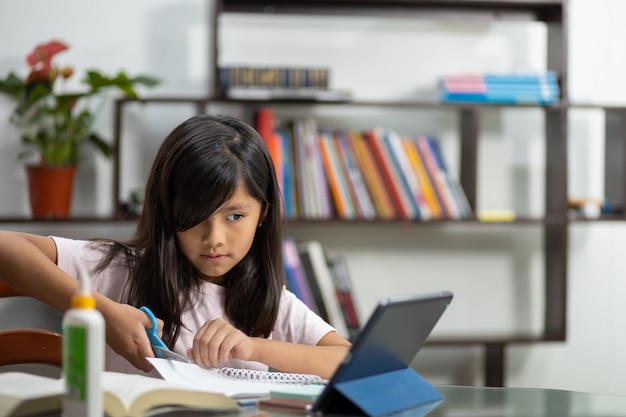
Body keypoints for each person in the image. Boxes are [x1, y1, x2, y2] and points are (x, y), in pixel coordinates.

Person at [0, 114, 351, 379]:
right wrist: (101, 311)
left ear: (262, 215)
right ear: (168, 212)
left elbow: (347, 362)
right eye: (196, 216)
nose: (214, 238)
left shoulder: (269, 301)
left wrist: (252, 346)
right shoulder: (119, 270)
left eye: (235, 217)